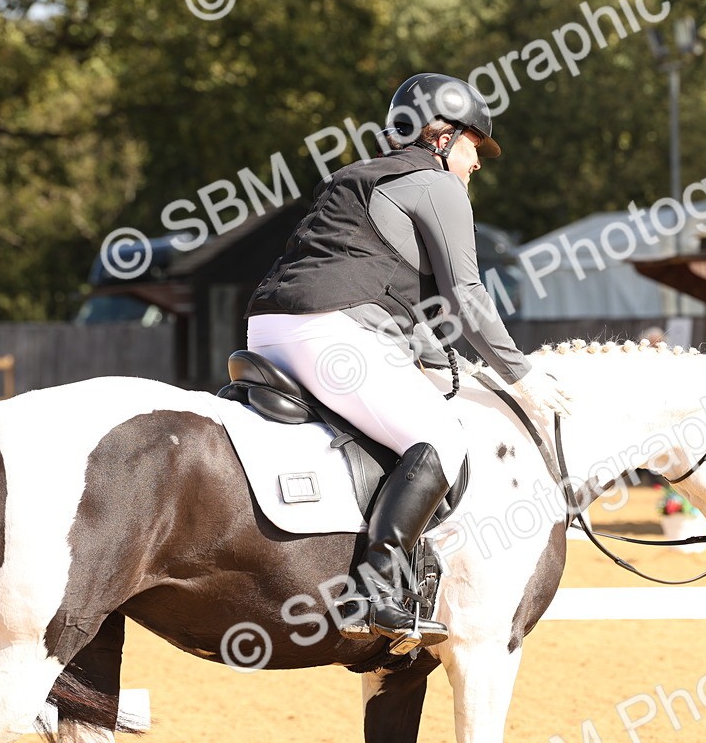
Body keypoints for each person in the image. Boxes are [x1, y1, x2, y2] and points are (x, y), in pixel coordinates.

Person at [244, 73, 572, 648]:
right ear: (443, 136)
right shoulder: (437, 185)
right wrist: (520, 374)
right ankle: (377, 588)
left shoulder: (355, 177)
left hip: (268, 330)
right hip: (328, 332)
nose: (477, 164)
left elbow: (389, 293)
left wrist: (433, 359)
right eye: (475, 146)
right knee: (442, 439)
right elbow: (468, 295)